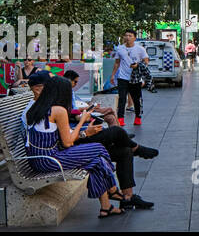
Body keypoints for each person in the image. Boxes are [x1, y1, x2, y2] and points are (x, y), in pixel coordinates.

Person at [24, 73, 124, 219]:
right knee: (98, 148)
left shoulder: (39, 107)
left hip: (38, 159)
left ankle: (106, 207)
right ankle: (113, 188)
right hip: (50, 159)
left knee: (96, 161)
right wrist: (82, 120)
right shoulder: (58, 110)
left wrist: (85, 133)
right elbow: (68, 142)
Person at [54, 71, 158, 209]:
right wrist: (85, 131)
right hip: (75, 144)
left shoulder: (60, 107)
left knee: (124, 152)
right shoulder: (56, 110)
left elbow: (71, 123)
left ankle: (128, 197)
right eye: (69, 89)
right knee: (116, 131)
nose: (72, 90)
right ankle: (136, 148)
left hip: (80, 137)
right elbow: (67, 139)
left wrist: (84, 119)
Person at [112, 30, 148, 127]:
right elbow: (117, 62)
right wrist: (112, 75)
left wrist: (137, 66)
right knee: (122, 98)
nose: (127, 37)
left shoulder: (140, 49)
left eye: (130, 36)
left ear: (134, 38)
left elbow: (146, 62)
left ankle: (138, 117)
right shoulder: (120, 48)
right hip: (122, 77)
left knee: (137, 99)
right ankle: (120, 119)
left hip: (135, 78)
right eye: (126, 35)